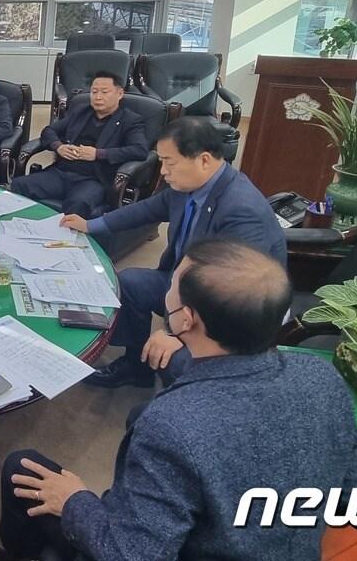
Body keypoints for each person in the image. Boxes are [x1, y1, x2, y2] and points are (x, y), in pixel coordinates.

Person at [0, 240, 357, 561]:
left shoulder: (171, 425)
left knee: (20, 467)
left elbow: (131, 553)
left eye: (172, 283)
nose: (166, 287)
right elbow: (348, 492)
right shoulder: (323, 376)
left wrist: (75, 501)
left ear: (186, 319)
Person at [62, 117, 286, 388]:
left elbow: (236, 295)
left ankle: (179, 398)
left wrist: (179, 334)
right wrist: (90, 225)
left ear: (204, 160)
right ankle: (136, 367)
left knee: (173, 359)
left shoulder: (241, 211)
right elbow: (145, 210)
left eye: (170, 162)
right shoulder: (187, 186)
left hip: (230, 315)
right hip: (187, 284)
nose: (163, 171)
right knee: (130, 283)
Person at [10, 71, 147, 217]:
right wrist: (58, 146)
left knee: (78, 203)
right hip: (61, 173)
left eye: (104, 92)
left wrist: (98, 154)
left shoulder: (130, 121)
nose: (98, 97)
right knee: (19, 185)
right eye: (94, 92)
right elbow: (49, 131)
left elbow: (139, 150)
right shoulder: (81, 111)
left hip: (94, 179)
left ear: (119, 94)